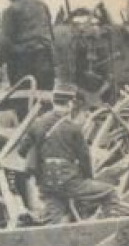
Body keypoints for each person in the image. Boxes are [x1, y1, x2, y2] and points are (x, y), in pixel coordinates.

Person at [28, 84, 124, 224]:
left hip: (47, 184)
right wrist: (88, 179)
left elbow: (23, 150)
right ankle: (108, 229)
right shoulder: (72, 128)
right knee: (109, 193)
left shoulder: (37, 124)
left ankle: (51, 243)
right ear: (70, 104)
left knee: (52, 220)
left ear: (53, 102)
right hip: (69, 181)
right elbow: (84, 158)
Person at [0, 0, 55, 109]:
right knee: (44, 100)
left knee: (22, 101)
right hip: (45, 60)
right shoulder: (42, 6)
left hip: (23, 63)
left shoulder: (11, 10)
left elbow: (4, 41)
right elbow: (51, 33)